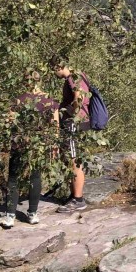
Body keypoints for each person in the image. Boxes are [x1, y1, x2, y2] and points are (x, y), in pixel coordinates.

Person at [0, 71, 60, 229]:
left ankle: (10, 216)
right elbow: (55, 126)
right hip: (39, 146)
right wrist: (54, 146)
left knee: (13, 179)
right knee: (35, 177)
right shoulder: (50, 102)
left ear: (26, 82)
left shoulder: (18, 100)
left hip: (19, 144)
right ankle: (32, 214)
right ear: (39, 82)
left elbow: (9, 123)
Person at [54, 60, 91, 213]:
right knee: (73, 159)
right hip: (78, 122)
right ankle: (74, 196)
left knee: (74, 159)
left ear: (59, 66)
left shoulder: (73, 77)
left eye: (53, 69)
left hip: (73, 124)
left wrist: (70, 111)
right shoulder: (78, 75)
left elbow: (79, 98)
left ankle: (78, 199)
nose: (53, 72)